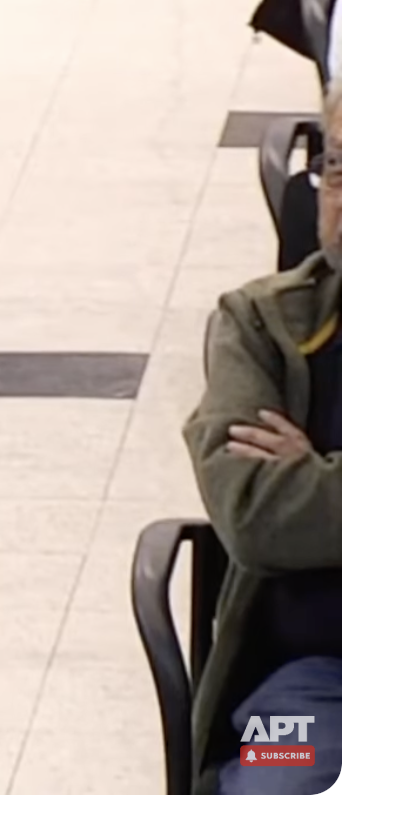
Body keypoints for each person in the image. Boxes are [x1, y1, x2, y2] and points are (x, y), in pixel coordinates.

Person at [183, 79, 342, 794]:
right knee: (272, 782)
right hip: (310, 689)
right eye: (338, 168)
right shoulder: (262, 322)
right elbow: (254, 515)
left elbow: (295, 508)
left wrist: (320, 479)